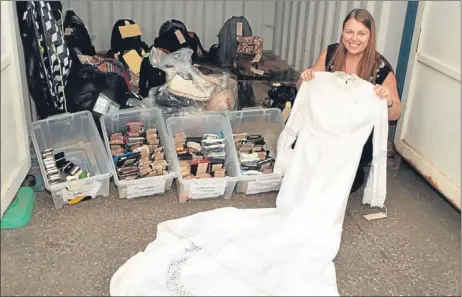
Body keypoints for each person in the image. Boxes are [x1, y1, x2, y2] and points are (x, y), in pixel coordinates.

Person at [295, 8, 402, 193]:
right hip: (325, 127)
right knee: (301, 161)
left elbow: (395, 114)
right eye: (349, 32)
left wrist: (387, 101)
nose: (354, 38)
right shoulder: (331, 54)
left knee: (343, 183)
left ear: (370, 36)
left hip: (355, 136)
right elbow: (302, 89)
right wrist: (305, 79)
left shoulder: (381, 68)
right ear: (342, 32)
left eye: (361, 33)